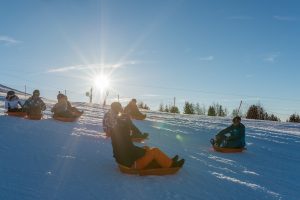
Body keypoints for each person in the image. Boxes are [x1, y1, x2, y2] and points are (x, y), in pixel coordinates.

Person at [108, 102, 184, 170]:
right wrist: (143, 152)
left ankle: (166, 161)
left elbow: (127, 148)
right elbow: (129, 150)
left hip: (125, 161)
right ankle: (171, 165)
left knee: (147, 149)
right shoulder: (122, 132)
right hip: (131, 164)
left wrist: (144, 150)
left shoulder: (117, 130)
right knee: (155, 151)